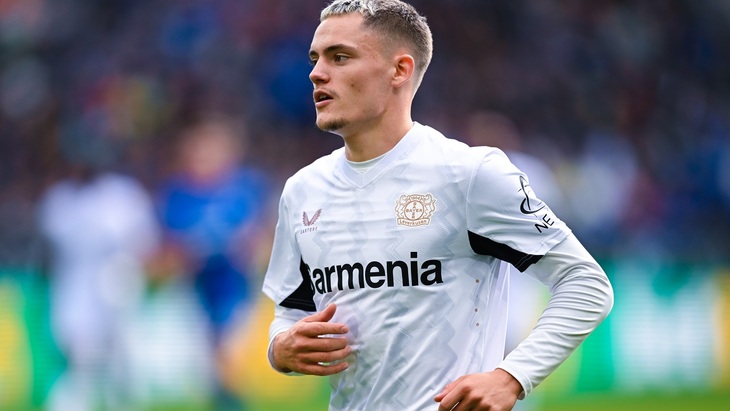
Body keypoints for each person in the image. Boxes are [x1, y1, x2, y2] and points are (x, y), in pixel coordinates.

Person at [261, 1, 614, 410]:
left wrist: (512, 377)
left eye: (340, 57)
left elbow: (586, 284)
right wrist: (279, 348)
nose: (317, 73)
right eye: (315, 59)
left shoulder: (469, 175)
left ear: (400, 70)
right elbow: (289, 312)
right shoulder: (302, 191)